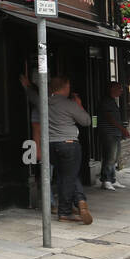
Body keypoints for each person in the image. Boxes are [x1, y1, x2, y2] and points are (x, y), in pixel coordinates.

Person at [46, 76, 92, 224]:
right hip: (69, 144)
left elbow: (32, 96)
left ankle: (78, 202)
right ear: (64, 88)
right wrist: (79, 105)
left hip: (51, 145)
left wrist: (27, 86)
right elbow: (86, 121)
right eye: (68, 86)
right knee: (68, 177)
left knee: (66, 176)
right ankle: (66, 211)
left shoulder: (44, 101)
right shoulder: (69, 104)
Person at [97, 81, 129, 190]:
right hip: (109, 133)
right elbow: (110, 118)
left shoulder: (112, 101)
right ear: (112, 89)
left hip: (115, 133)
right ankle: (106, 180)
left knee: (115, 157)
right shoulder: (106, 101)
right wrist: (122, 129)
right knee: (109, 157)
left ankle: (112, 179)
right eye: (119, 88)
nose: (121, 91)